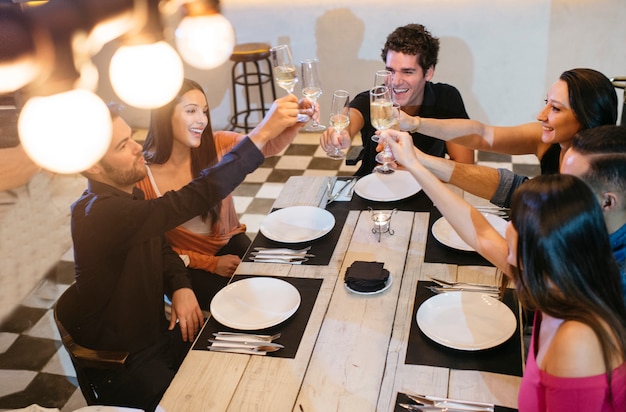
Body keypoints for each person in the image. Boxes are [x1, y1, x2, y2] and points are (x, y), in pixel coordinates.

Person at [70, 101, 303, 411]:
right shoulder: (101, 213)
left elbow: (160, 246)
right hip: (127, 361)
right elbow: (192, 198)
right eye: (123, 146)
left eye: (132, 137)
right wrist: (260, 136)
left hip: (160, 335)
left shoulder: (128, 194)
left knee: (250, 361)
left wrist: (179, 285)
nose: (138, 148)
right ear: (94, 167)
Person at [385, 129, 626, 411]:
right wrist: (414, 164)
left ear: (606, 203)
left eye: (570, 185)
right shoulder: (564, 267)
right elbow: (482, 236)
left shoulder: (578, 340)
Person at [137, 79, 306, 309]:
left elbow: (264, 147)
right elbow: (156, 250)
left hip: (228, 241)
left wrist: (292, 125)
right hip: (186, 263)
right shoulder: (143, 176)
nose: (202, 120)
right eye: (191, 111)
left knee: (276, 283)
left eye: (204, 111)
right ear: (164, 116)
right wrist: (211, 263)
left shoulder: (216, 143)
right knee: (238, 307)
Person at [394, 68, 617, 207]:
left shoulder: (594, 176)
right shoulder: (545, 139)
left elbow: (517, 192)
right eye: (545, 103)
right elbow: (483, 135)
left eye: (556, 109)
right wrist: (414, 124)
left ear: (586, 118)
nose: (541, 116)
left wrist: (418, 160)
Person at [319, 23, 474, 175]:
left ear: (428, 73)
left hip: (428, 191)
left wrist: (414, 170)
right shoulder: (372, 100)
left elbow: (465, 166)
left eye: (407, 72)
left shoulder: (446, 98)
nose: (395, 81)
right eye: (390, 71)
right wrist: (340, 134)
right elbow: (350, 118)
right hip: (374, 186)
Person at [561, 125, 626, 299]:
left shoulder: (616, 280)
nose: (557, 193)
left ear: (607, 202)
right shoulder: (592, 229)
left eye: (570, 188)